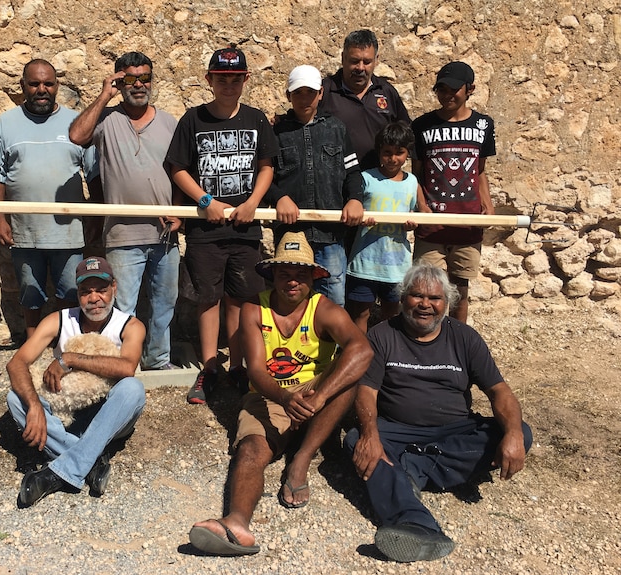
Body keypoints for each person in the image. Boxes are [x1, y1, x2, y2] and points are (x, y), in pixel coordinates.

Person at [187, 232, 373, 556]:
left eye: (301, 274)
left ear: (313, 277)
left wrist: (318, 394)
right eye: (285, 273)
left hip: (316, 392)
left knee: (349, 378)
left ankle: (300, 459)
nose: (292, 281)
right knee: (250, 449)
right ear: (272, 275)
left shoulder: (324, 308)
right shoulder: (253, 309)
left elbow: (361, 350)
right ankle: (237, 522)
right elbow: (256, 370)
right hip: (270, 394)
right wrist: (286, 399)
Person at [344, 263, 532, 563]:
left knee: (519, 431)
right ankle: (417, 524)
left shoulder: (465, 337)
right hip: (397, 430)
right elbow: (366, 391)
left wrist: (511, 434)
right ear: (403, 298)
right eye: (416, 296)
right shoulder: (382, 335)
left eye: (435, 298)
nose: (425, 305)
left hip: (454, 430)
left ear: (447, 303)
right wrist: (370, 434)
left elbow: (499, 391)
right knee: (356, 440)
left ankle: (411, 470)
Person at [166, 46, 279, 404]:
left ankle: (240, 367)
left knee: (242, 298)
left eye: (235, 78)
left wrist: (252, 203)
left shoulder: (256, 119)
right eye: (221, 78)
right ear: (209, 80)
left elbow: (267, 166)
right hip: (206, 231)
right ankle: (210, 367)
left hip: (245, 229)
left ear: (245, 79)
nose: (228, 84)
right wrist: (205, 201)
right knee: (208, 299)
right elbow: (177, 167)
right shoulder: (193, 119)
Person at [68, 51, 181, 370]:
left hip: (165, 235)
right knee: (123, 305)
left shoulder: (169, 122)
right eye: (130, 79)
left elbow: (183, 172)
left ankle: (157, 360)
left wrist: (180, 214)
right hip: (122, 234)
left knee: (164, 303)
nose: (139, 85)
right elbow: (77, 135)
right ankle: (120, 363)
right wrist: (105, 94)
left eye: (145, 78)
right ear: (119, 80)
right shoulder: (106, 120)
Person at [6, 256, 146, 505]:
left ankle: (56, 471)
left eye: (101, 290)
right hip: (66, 414)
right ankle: (90, 459)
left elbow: (127, 368)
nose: (94, 299)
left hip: (109, 416)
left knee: (132, 389)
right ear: (78, 293)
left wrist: (69, 359)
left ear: (114, 287)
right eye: (85, 292)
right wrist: (35, 406)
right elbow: (17, 363)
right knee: (15, 398)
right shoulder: (58, 320)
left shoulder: (130, 325)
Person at [0, 59, 97, 339]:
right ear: (23, 86)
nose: (41, 89)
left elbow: (93, 175)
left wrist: (95, 218)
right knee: (30, 294)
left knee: (70, 293)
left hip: (68, 232)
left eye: (48, 83)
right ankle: (33, 347)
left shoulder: (75, 123)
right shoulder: (6, 124)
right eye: (34, 84)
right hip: (24, 231)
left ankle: (67, 346)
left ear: (57, 86)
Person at [268, 64, 365, 306]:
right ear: (288, 95)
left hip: (329, 234)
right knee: (290, 296)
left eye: (310, 92)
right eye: (298, 93)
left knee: (332, 298)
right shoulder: (276, 133)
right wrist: (279, 197)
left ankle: (328, 345)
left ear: (321, 93)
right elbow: (264, 176)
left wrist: (355, 199)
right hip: (290, 232)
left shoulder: (336, 129)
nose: (304, 99)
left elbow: (352, 172)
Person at [411, 61, 496, 323]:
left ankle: (459, 343)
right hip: (432, 223)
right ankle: (425, 340)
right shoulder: (422, 125)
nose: (447, 95)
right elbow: (416, 173)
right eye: (441, 89)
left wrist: (488, 203)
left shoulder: (483, 125)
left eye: (454, 89)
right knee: (425, 288)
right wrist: (422, 207)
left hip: (467, 221)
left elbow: (480, 170)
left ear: (470, 89)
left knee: (460, 289)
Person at [346, 121, 423, 332]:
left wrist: (414, 221)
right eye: (387, 152)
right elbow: (352, 208)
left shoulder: (412, 183)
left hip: (396, 266)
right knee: (360, 313)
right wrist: (361, 218)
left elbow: (424, 212)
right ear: (379, 152)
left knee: (392, 313)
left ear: (407, 153)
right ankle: (358, 353)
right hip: (365, 263)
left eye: (399, 153)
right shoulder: (366, 178)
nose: (393, 158)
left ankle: (386, 354)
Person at [319, 29, 411, 171]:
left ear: (376, 60)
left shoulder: (386, 92)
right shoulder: (325, 90)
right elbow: (302, 116)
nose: (360, 68)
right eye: (354, 61)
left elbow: (406, 133)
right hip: (335, 182)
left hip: (377, 182)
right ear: (343, 58)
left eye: (367, 62)